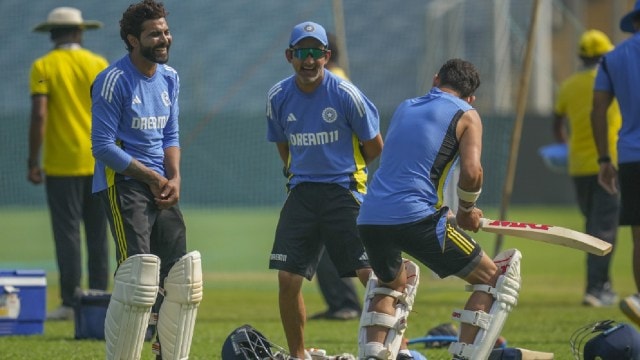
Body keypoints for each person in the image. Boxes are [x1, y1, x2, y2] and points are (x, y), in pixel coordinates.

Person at [357, 59, 522, 360]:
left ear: (436, 80)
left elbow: (407, 168)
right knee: (494, 278)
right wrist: (467, 210)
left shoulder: (406, 106)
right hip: (415, 218)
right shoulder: (468, 114)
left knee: (391, 285)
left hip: (370, 217)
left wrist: (441, 210)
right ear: (471, 97)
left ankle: (373, 355)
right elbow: (473, 173)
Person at [91, 1, 202, 359]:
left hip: (162, 186)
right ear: (132, 39)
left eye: (165, 31)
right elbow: (102, 147)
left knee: (180, 277)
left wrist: (174, 177)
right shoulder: (113, 81)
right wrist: (152, 177)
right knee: (138, 276)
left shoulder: (170, 77)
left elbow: (171, 134)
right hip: (124, 184)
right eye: (155, 33)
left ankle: (165, 354)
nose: (164, 38)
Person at [266, 21, 383, 359]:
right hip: (302, 194)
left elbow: (375, 146)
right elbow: (283, 145)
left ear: (326, 56)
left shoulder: (346, 94)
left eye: (316, 52)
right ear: (290, 56)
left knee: (370, 276)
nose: (309, 59)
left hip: (343, 191)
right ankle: (298, 354)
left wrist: (346, 171)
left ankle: (394, 349)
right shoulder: (277, 96)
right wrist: (299, 172)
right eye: (302, 52)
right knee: (288, 279)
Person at [28, 6, 109, 321]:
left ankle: (71, 301)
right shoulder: (98, 63)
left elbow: (39, 114)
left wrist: (32, 160)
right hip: (100, 160)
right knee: (98, 234)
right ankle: (100, 299)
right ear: (80, 32)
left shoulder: (43, 65)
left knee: (68, 234)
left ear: (51, 34)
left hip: (61, 164)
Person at [553, 29, 620, 307]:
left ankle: (599, 285)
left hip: (578, 166)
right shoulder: (612, 80)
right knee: (603, 229)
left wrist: (565, 147)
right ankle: (597, 289)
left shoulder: (569, 85)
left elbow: (557, 124)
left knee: (592, 226)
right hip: (609, 162)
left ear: (581, 56)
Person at [591, 0, 640, 327]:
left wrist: (605, 159)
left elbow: (598, 110)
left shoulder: (612, 58)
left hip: (631, 155)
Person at [308, 31, 362, 322]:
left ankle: (349, 304)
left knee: (333, 246)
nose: (306, 58)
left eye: (312, 51)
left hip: (338, 180)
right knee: (324, 246)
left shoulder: (335, 83)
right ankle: (340, 303)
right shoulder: (327, 82)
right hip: (325, 178)